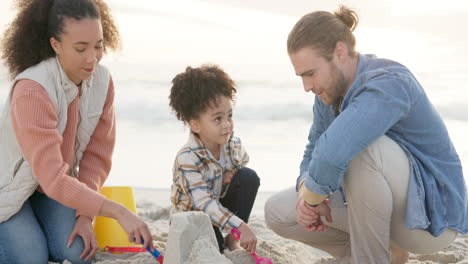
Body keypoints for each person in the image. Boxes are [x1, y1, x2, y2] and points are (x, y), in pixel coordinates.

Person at [264, 5, 467, 264]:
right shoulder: (327, 93)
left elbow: (330, 153)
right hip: (381, 214)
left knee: (362, 148)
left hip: (431, 221)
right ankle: (381, 254)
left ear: (339, 53)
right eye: (301, 77)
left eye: (310, 74)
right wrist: (306, 191)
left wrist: (314, 198)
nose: (306, 87)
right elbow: (314, 150)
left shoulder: (389, 82)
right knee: (278, 212)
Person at [0, 0, 154, 263]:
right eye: (81, 48)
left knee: (79, 253)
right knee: (30, 258)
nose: (92, 58)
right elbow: (54, 179)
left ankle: (36, 229)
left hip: (46, 191)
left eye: (98, 45)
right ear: (55, 45)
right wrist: (118, 212)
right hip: (8, 190)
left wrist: (86, 213)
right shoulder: (32, 91)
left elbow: (97, 157)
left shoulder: (102, 82)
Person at [169, 65, 261, 254]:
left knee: (248, 177)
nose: (227, 125)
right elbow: (204, 204)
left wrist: (232, 172)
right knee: (214, 249)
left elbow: (243, 161)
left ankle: (231, 237)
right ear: (195, 124)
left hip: (216, 208)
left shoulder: (232, 144)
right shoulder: (187, 158)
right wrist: (241, 226)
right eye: (217, 119)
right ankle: (226, 237)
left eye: (229, 116)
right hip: (192, 220)